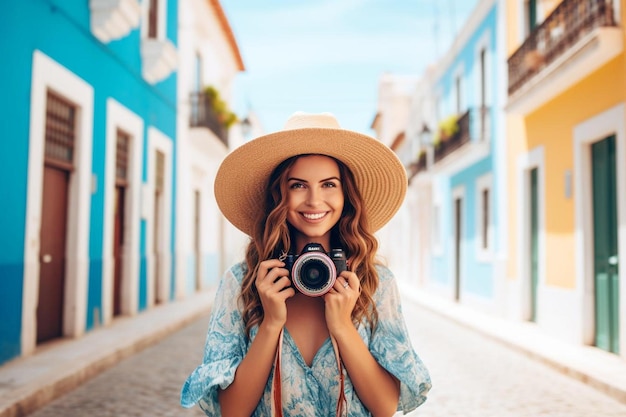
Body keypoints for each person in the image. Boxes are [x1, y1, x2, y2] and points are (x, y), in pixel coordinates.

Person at [181, 112, 431, 416]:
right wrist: (271, 322)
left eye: (329, 184)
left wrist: (342, 326)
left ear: (345, 195)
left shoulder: (375, 282)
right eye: (299, 185)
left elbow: (385, 407)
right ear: (279, 195)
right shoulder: (242, 283)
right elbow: (231, 412)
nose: (314, 200)